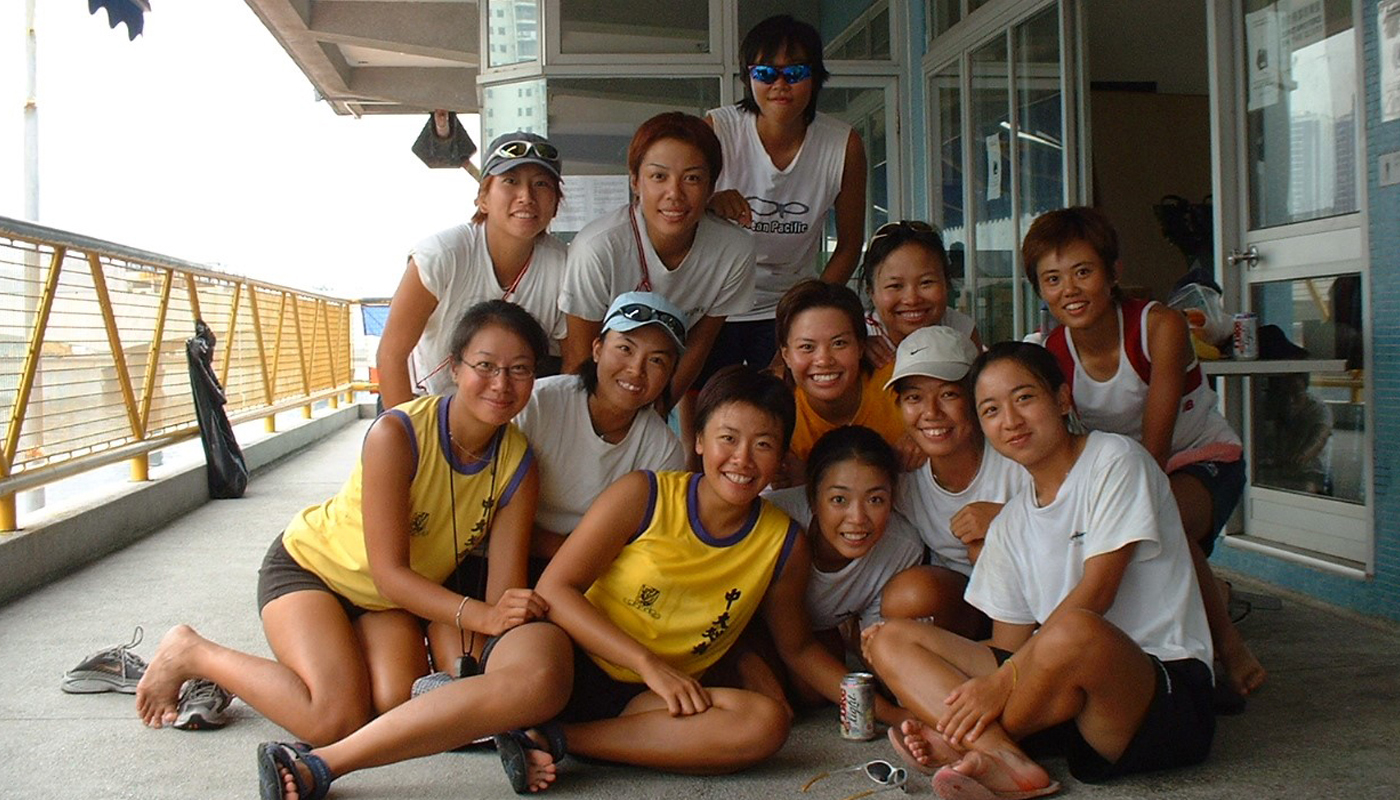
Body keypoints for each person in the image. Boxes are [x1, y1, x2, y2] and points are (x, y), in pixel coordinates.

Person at [135, 302, 550, 757]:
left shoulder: (518, 462)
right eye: (485, 366)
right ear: (453, 367)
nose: (501, 384)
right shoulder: (399, 434)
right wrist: (484, 617)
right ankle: (193, 652)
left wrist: (504, 676)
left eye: (520, 370)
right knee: (334, 719)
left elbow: (503, 592)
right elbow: (391, 571)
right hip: (314, 571)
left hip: (385, 603)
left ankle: (333, 656)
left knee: (396, 701)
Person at [866, 342, 1215, 799]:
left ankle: (963, 742)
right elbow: (1008, 647)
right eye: (991, 409)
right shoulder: (1011, 522)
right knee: (891, 637)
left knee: (1075, 629)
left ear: (1063, 399)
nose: (1009, 420)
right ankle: (1005, 758)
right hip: (1065, 701)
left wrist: (999, 684)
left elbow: (1098, 593)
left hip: (1156, 691)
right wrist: (991, 678)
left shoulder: (1114, 460)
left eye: (1024, 398)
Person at [524, 367, 855, 781]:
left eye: (763, 444)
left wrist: (886, 709)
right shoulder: (644, 494)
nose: (742, 459)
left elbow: (799, 649)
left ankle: (559, 740)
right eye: (728, 438)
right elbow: (555, 589)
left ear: (782, 456)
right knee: (526, 665)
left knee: (765, 724)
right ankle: (547, 730)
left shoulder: (784, 543)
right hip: (574, 658)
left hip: (650, 701)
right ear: (698, 440)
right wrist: (647, 663)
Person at [1025, 206, 1264, 698]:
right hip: (1125, 474)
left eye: (1083, 272)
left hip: (1198, 459)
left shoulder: (1160, 327)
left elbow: (1153, 459)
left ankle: (1228, 645)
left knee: (1160, 517)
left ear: (1113, 274)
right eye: (1052, 279)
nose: (1068, 290)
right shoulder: (1049, 352)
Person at [702, 13, 867, 378]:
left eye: (794, 73)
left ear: (815, 78)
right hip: (714, 300)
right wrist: (708, 202)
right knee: (708, 404)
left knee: (784, 405)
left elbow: (850, 245)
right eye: (765, 73)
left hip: (787, 303)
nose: (780, 84)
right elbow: (674, 209)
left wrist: (807, 312)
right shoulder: (719, 130)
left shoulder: (843, 144)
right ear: (748, 77)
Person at [558, 112, 755, 408]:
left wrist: (660, 409)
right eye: (658, 176)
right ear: (635, 181)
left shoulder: (733, 250)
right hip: (595, 389)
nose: (674, 194)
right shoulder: (597, 249)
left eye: (692, 178)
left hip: (660, 380)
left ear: (711, 186)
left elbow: (698, 346)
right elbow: (579, 358)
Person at [377, 132, 567, 407]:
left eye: (541, 184)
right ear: (483, 198)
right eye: (510, 181)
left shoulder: (565, 265)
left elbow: (573, 364)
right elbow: (391, 355)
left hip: (505, 412)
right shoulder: (441, 255)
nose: (526, 196)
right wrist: (406, 433)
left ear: (556, 204)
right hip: (425, 403)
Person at [763, 425, 921, 724]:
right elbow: (796, 648)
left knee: (816, 690)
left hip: (814, 630)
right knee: (790, 698)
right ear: (812, 497)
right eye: (839, 500)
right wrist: (894, 715)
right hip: (748, 632)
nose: (858, 519)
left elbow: (873, 647)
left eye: (875, 499)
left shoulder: (901, 546)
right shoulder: (776, 521)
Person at [880, 326, 1028, 639]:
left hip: (1037, 600)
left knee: (985, 547)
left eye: (948, 394)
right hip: (963, 606)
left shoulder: (1016, 456)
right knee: (907, 595)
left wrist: (1007, 519)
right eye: (914, 398)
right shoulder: (904, 476)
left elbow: (1073, 521)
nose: (931, 412)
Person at [516, 291, 689, 559]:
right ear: (597, 349)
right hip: (509, 548)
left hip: (592, 571)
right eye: (625, 349)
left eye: (656, 360)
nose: (636, 369)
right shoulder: (538, 404)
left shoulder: (664, 451)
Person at [777, 279, 918, 482]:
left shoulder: (899, 383)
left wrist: (924, 436)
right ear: (786, 355)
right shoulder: (777, 415)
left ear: (861, 346)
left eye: (839, 343)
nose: (824, 360)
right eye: (807, 347)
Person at [860, 221, 983, 364]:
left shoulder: (961, 330)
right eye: (895, 285)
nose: (912, 300)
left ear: (946, 283)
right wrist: (858, 347)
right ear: (871, 292)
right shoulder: (858, 336)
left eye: (926, 282)